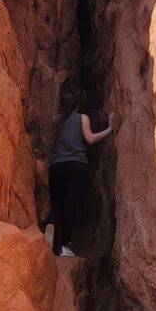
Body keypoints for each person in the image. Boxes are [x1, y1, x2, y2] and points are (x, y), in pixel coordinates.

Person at [45, 90, 113, 257]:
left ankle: (50, 234)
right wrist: (109, 129)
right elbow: (90, 139)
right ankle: (64, 246)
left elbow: (50, 142)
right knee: (70, 204)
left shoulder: (56, 120)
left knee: (57, 205)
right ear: (76, 105)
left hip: (57, 166)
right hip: (76, 165)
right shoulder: (82, 118)